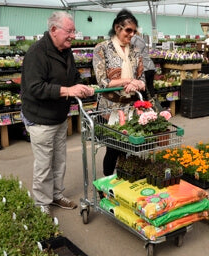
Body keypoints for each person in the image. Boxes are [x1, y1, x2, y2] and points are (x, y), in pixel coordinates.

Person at [21, 11, 94, 215]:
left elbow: (74, 76)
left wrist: (81, 86)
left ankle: (56, 195)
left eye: (74, 31)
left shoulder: (65, 51)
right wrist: (68, 91)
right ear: (54, 30)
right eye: (69, 31)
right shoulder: (37, 53)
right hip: (40, 119)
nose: (73, 35)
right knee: (44, 164)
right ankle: (41, 202)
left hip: (59, 117)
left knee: (59, 160)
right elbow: (35, 87)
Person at [93, 9, 145, 176]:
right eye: (128, 30)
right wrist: (128, 81)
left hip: (130, 108)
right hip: (109, 110)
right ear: (117, 28)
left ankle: (123, 182)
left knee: (128, 148)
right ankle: (106, 186)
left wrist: (138, 83)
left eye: (134, 31)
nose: (131, 34)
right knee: (113, 148)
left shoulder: (136, 52)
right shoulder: (102, 49)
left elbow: (142, 79)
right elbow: (102, 81)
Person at [131, 31, 156, 100]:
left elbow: (135, 53)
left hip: (144, 68)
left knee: (143, 89)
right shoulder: (140, 39)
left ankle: (145, 106)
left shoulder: (133, 39)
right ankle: (153, 105)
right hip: (150, 66)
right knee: (150, 87)